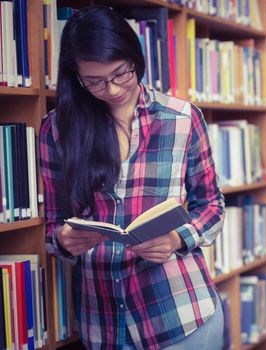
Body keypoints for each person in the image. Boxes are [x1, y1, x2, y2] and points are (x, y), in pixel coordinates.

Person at [39, 6, 225, 349]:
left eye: (121, 73)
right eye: (95, 81)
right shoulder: (57, 130)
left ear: (134, 57)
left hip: (179, 315)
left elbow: (212, 205)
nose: (111, 89)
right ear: (75, 77)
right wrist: (64, 241)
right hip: (102, 322)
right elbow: (51, 227)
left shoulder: (181, 118)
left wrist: (176, 238)